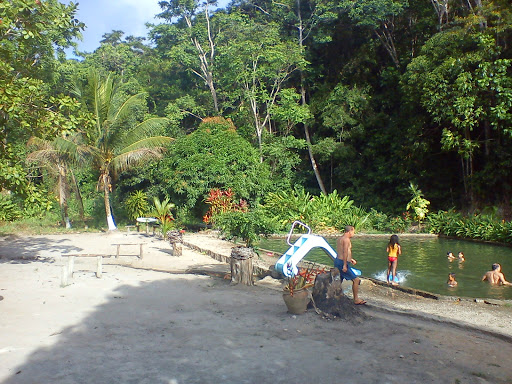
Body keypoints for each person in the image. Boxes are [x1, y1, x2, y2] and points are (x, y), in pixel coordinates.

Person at [335, 225, 366, 305]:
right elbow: (345, 251)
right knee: (356, 280)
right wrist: (345, 265)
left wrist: (350, 259)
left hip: (339, 261)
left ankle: (334, 295)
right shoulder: (346, 240)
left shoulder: (340, 238)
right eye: (353, 232)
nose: (354, 233)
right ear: (349, 231)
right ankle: (356, 299)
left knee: (339, 280)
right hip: (342, 262)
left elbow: (341, 251)